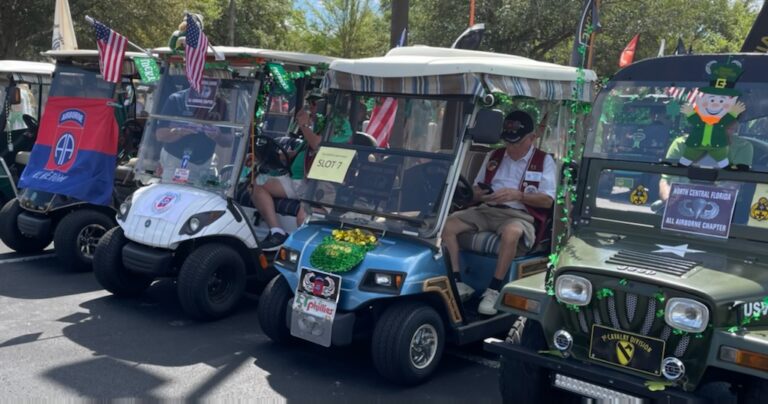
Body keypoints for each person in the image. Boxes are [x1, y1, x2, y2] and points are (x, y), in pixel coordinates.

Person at [441, 110, 555, 316]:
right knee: (447, 224)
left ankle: (494, 289)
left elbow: (547, 200)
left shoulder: (543, 160)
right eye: (508, 142)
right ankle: (457, 281)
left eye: (516, 143)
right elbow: (476, 189)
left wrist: (519, 195)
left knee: (511, 233)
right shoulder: (494, 156)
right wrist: (480, 194)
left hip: (519, 215)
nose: (510, 148)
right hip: (487, 209)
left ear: (531, 138)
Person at [251, 90, 352, 251]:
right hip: (296, 180)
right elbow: (301, 151)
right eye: (309, 103)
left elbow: (318, 146)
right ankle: (277, 232)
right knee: (257, 187)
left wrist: (304, 125)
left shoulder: (340, 124)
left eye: (314, 103)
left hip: (318, 184)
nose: (310, 107)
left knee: (303, 217)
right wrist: (271, 155)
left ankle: (300, 253)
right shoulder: (320, 124)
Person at [154, 86, 232, 184]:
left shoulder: (221, 104)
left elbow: (228, 141)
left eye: (215, 80)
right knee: (175, 192)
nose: (209, 83)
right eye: (204, 80)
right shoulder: (177, 99)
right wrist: (180, 131)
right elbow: (160, 135)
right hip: (176, 162)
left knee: (210, 192)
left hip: (207, 164)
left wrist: (218, 135)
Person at [659, 120, 752, 201]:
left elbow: (734, 184)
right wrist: (668, 200)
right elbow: (666, 180)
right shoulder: (681, 144)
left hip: (725, 206)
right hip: (678, 202)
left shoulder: (743, 147)